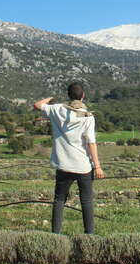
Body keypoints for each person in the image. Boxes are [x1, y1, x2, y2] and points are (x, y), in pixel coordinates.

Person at [33, 82, 105, 234]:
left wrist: (51, 98)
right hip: (83, 166)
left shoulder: (57, 109)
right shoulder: (88, 116)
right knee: (86, 201)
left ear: (68, 95)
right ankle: (89, 236)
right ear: (83, 96)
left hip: (63, 164)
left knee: (59, 200)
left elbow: (37, 105)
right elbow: (91, 143)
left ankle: (56, 235)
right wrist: (97, 166)